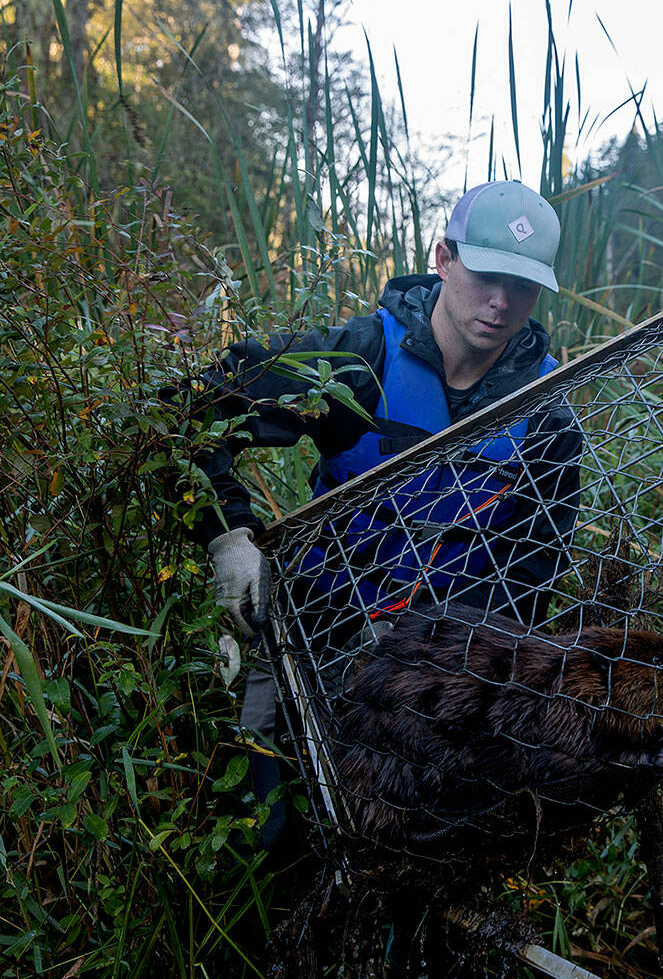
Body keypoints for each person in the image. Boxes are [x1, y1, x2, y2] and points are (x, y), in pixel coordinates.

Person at [192, 180, 582, 849]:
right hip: (306, 634)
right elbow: (204, 404)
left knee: (420, 851)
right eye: (486, 275)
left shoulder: (547, 418)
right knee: (262, 835)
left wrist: (457, 677)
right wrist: (230, 538)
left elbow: (529, 584)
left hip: (438, 680)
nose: (500, 302)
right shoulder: (362, 357)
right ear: (443, 257)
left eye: (522, 286)